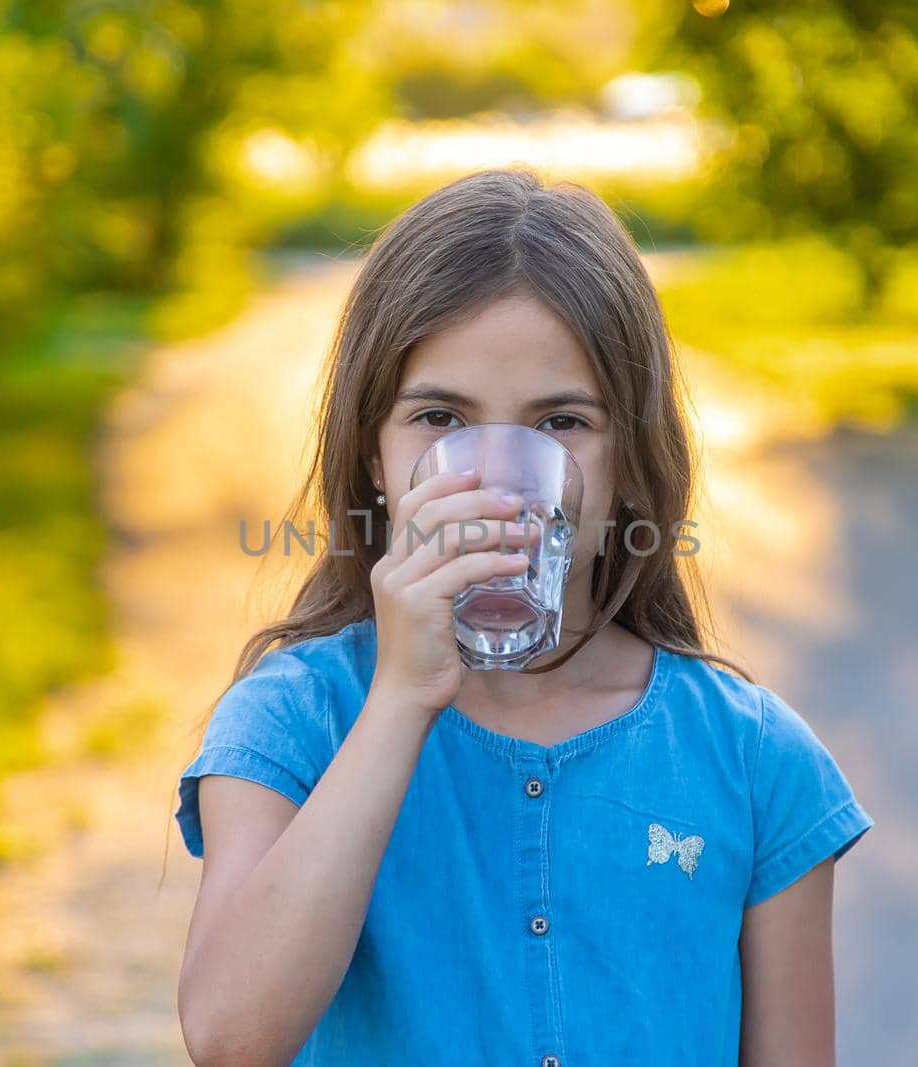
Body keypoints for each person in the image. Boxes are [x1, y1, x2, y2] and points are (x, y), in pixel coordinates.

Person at [172, 165, 873, 1067]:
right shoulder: (296, 720)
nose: (498, 480)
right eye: (439, 417)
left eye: (560, 423)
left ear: (631, 462)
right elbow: (231, 1036)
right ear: (373, 458)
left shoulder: (755, 761)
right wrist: (401, 699)